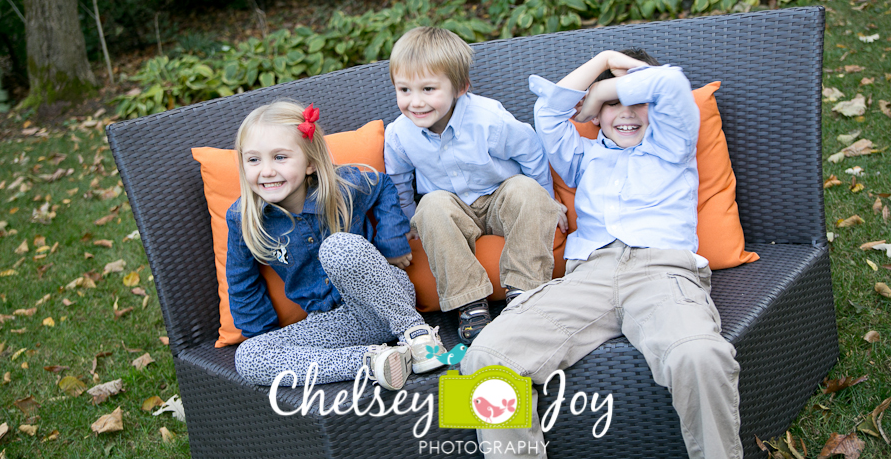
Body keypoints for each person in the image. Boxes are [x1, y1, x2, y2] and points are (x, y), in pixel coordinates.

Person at [461, 49, 742, 459]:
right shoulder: (582, 156)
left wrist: (606, 88)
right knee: (483, 358)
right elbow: (548, 113)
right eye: (611, 104)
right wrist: (603, 60)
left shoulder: (673, 144)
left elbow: (671, 84)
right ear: (594, 114)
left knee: (699, 354)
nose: (625, 112)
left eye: (636, 100)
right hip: (586, 278)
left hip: (661, 274)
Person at [227, 100, 447, 392]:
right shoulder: (244, 218)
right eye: (254, 160)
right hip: (336, 325)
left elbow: (382, 185)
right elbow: (242, 282)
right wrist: (264, 337)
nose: (266, 171)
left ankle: (418, 337)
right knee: (249, 356)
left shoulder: (344, 186)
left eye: (280, 157)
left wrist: (392, 242)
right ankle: (376, 362)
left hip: (386, 298)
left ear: (309, 163)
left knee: (337, 247)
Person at [383, 26, 567, 346]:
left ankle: (525, 293)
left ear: (461, 87)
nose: (415, 102)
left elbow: (531, 151)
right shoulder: (400, 134)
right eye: (404, 90)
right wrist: (408, 219)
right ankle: (469, 303)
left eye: (428, 89)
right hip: (452, 208)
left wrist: (548, 199)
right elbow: (398, 179)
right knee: (431, 206)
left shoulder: (488, 118)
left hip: (498, 197)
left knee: (526, 191)